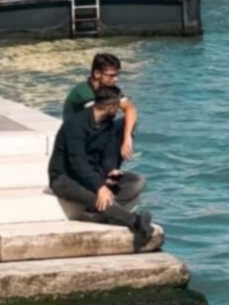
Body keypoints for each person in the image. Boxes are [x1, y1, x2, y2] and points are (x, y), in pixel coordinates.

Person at [48, 86, 156, 249]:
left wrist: (109, 171)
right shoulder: (75, 124)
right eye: (118, 107)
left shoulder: (108, 124)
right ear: (112, 107)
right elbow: (77, 163)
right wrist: (99, 187)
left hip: (92, 174)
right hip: (65, 177)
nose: (119, 110)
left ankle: (94, 215)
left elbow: (106, 154)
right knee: (100, 197)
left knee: (138, 181)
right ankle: (134, 221)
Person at [63, 52, 138, 162]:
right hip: (77, 138)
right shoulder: (84, 92)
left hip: (93, 132)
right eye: (111, 75)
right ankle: (107, 166)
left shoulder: (109, 90)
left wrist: (127, 138)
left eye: (117, 75)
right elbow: (97, 119)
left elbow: (130, 108)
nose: (116, 79)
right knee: (109, 126)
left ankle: (112, 165)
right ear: (97, 73)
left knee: (127, 123)